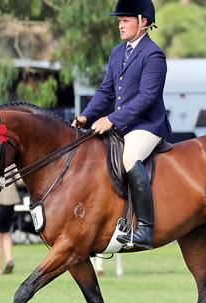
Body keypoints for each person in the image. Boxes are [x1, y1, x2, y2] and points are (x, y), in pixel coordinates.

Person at [72, 0, 172, 250]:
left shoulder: (153, 55)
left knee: (129, 159)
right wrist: (86, 116)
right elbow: (106, 91)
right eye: (119, 20)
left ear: (143, 22)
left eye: (126, 20)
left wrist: (111, 119)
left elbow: (146, 97)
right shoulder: (118, 52)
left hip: (147, 126)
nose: (120, 24)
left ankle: (145, 229)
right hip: (122, 126)